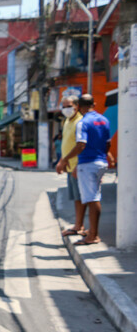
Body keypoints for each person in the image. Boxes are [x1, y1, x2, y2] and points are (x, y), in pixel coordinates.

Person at [56, 94, 113, 246]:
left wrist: (66, 160)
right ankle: (90, 231)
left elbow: (81, 145)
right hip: (100, 162)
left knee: (92, 198)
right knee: (91, 197)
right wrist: (107, 157)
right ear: (94, 103)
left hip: (87, 163)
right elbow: (107, 144)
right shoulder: (104, 120)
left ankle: (93, 235)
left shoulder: (83, 122)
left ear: (79, 106)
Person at [56, 96, 86, 237]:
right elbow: (68, 144)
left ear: (76, 106)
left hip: (77, 166)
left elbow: (82, 146)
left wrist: (78, 165)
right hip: (70, 166)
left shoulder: (80, 122)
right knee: (76, 198)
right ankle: (78, 224)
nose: (65, 109)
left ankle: (79, 226)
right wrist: (62, 161)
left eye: (68, 106)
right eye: (63, 106)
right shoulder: (68, 121)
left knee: (81, 198)